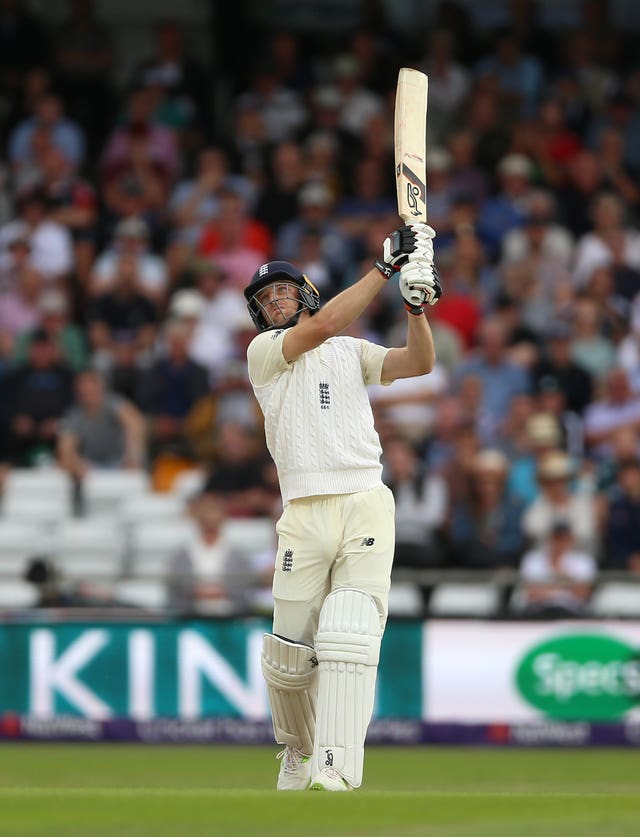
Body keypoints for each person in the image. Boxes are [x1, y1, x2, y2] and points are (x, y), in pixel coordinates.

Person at [243, 222, 441, 792]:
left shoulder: (350, 352)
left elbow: (418, 364)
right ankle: (297, 751)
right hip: (303, 512)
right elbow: (326, 321)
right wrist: (384, 270)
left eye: (283, 291)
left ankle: (338, 767)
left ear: (302, 291)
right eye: (265, 298)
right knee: (287, 656)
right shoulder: (265, 354)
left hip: (363, 501)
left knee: (351, 631)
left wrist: (415, 306)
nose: (275, 301)